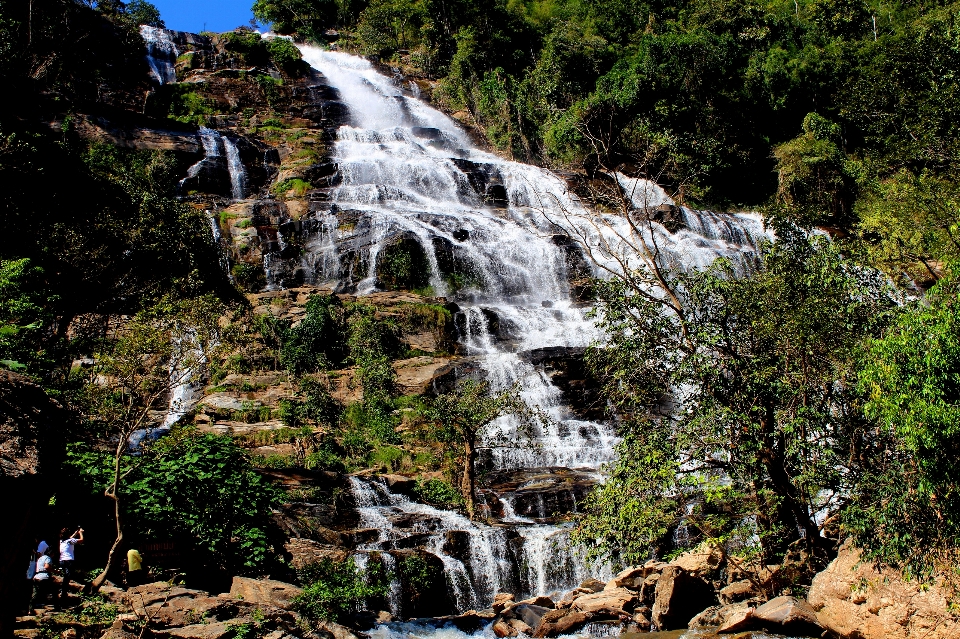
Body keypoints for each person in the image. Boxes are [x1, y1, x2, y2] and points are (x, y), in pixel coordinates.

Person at [58, 527, 83, 609]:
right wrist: (80, 533)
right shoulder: (70, 541)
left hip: (62, 561)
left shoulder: (62, 541)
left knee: (66, 577)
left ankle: (63, 591)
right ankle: (63, 594)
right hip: (69, 560)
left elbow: (70, 538)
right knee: (67, 578)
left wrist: (75, 533)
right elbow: (81, 540)